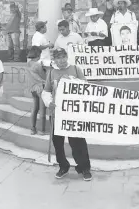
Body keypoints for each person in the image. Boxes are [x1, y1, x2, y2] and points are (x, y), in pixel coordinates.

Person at [41, 48, 92, 181]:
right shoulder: (52, 73)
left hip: (73, 113)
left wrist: (71, 80)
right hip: (57, 113)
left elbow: (86, 87)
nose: (61, 60)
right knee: (58, 142)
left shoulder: (75, 69)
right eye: (58, 58)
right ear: (55, 59)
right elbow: (46, 91)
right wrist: (49, 102)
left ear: (67, 56)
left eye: (63, 57)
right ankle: (63, 166)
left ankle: (84, 167)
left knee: (77, 141)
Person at [26, 46, 47, 135]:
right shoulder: (38, 65)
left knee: (34, 109)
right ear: (38, 54)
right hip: (40, 88)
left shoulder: (28, 63)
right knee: (42, 110)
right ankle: (42, 130)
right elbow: (44, 77)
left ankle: (33, 129)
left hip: (32, 89)